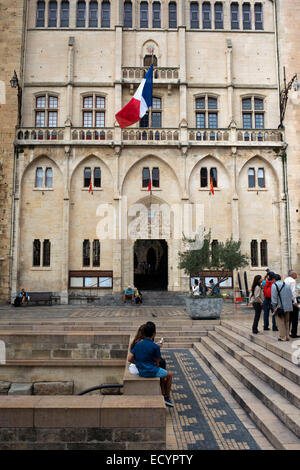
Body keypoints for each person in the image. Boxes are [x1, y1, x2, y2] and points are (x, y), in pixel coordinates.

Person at [128, 321, 173, 407]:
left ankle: (164, 393)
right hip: (151, 371)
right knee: (170, 375)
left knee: (162, 372)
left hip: (141, 371)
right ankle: (166, 397)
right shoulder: (155, 346)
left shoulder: (138, 344)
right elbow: (157, 362)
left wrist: (138, 363)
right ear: (154, 334)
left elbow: (129, 358)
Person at [271, 274, 293, 342]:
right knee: (287, 322)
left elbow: (274, 298)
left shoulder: (274, 285)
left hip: (279, 307)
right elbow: (291, 295)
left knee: (280, 322)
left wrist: (274, 307)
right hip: (288, 306)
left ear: (274, 279)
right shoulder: (287, 285)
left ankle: (283, 337)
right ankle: (287, 336)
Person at [284, 270, 300, 338]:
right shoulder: (292, 281)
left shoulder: (286, 279)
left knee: (288, 318)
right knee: (294, 318)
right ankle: (293, 333)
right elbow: (293, 292)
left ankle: (286, 333)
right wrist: (295, 302)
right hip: (292, 301)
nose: (297, 275)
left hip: (286, 300)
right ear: (292, 274)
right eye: (296, 274)